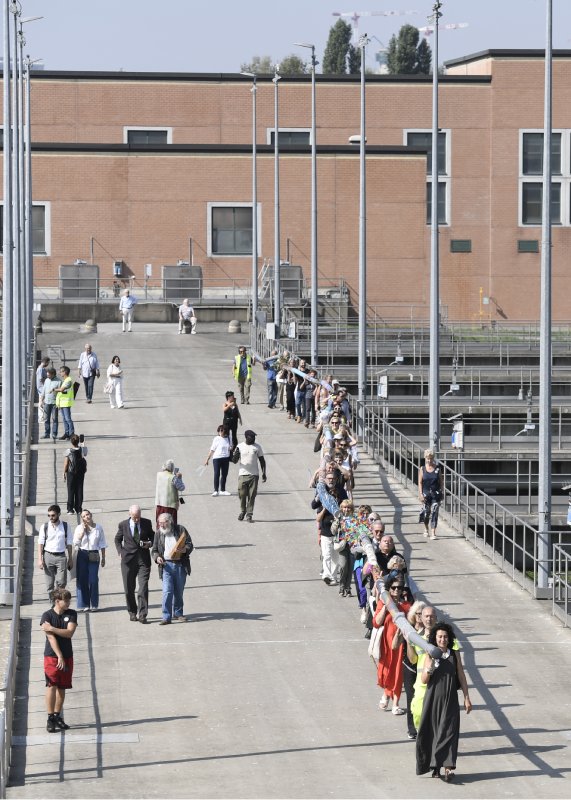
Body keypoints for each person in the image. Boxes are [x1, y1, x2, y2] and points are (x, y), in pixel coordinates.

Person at [416, 622, 472, 781]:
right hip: (433, 699)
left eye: (445, 636)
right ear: (435, 638)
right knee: (433, 732)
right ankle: (435, 766)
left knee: (450, 733)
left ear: (450, 638)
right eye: (440, 636)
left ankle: (448, 769)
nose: (443, 639)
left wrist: (466, 697)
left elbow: (461, 676)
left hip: (450, 699)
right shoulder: (430, 654)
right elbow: (424, 680)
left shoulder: (454, 654)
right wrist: (431, 666)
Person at [373, 575, 411, 715]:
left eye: (399, 588)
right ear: (389, 589)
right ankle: (386, 694)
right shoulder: (382, 604)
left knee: (398, 673)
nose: (396, 590)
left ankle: (395, 703)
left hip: (401, 645)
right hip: (386, 644)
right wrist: (385, 606)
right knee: (387, 671)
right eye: (393, 588)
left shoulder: (406, 606)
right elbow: (376, 623)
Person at [40, 588, 77, 732]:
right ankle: (50, 718)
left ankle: (57, 716)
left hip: (68, 656)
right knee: (51, 685)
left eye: (69, 600)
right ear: (57, 601)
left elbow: (69, 633)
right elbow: (50, 638)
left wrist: (52, 628)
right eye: (66, 600)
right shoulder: (47, 615)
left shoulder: (71, 613)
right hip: (52, 657)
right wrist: (59, 655)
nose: (68, 603)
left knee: (62, 687)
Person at [114, 505, 154, 623]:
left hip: (143, 560)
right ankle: (132, 611)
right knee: (128, 589)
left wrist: (149, 543)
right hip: (128, 560)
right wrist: (120, 551)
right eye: (134, 517)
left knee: (143, 588)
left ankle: (143, 614)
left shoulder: (147, 523)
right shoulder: (123, 525)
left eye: (138, 517)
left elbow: (153, 536)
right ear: (129, 514)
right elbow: (117, 539)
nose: (137, 519)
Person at [152, 512, 193, 624]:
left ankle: (178, 613)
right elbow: (154, 550)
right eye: (159, 523)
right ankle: (166, 616)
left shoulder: (180, 529)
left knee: (178, 591)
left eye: (163, 523)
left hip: (180, 564)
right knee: (167, 591)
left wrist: (184, 549)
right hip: (166, 566)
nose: (161, 525)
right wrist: (157, 558)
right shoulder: (158, 533)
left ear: (169, 521)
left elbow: (190, 544)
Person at [37, 505, 74, 602]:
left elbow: (69, 542)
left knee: (61, 582)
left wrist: (70, 558)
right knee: (49, 584)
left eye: (53, 515)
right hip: (48, 555)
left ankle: (59, 601)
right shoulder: (44, 526)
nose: (51, 518)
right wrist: (40, 559)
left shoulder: (65, 526)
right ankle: (53, 603)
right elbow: (40, 543)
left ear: (59, 514)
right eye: (49, 515)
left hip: (61, 556)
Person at [73, 509, 107, 612]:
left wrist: (104, 557)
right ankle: (84, 604)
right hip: (82, 554)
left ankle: (94, 604)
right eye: (84, 516)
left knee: (93, 579)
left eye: (87, 514)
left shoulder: (98, 527)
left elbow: (102, 543)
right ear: (82, 519)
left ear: (91, 515)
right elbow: (75, 542)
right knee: (82, 579)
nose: (86, 517)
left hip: (94, 554)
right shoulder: (79, 528)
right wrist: (82, 532)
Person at [232, 429, 266, 522]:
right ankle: (243, 511)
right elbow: (234, 461)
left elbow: (262, 461)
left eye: (254, 437)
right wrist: (232, 454)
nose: (254, 438)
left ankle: (249, 515)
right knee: (242, 494)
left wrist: (264, 473)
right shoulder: (240, 446)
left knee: (252, 496)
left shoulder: (257, 447)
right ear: (247, 437)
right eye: (252, 437)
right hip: (243, 474)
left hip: (254, 475)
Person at [418, 449, 444, 539]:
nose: (429, 460)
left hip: (435, 493)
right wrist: (420, 494)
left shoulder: (437, 468)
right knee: (426, 513)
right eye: (428, 458)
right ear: (425, 458)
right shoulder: (422, 469)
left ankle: (433, 532)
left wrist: (442, 492)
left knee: (435, 511)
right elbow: (420, 482)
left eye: (431, 458)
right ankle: (426, 529)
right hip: (426, 493)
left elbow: (441, 481)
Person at [155, 460, 185, 526]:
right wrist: (179, 478)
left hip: (160, 504)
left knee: (160, 524)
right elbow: (181, 488)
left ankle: (159, 536)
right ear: (172, 468)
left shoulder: (159, 474)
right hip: (170, 506)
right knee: (170, 525)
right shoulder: (173, 478)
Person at [204, 425, 232, 496]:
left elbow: (231, 446)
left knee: (224, 474)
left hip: (226, 458)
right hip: (217, 458)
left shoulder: (229, 438)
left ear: (225, 431)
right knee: (217, 474)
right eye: (219, 430)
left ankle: (222, 490)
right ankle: (216, 490)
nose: (220, 432)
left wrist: (231, 448)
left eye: (221, 430)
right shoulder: (216, 438)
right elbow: (212, 449)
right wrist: (207, 459)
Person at [63, 434, 88, 515]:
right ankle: (78, 508)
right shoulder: (83, 449)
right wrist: (83, 444)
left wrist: (64, 472)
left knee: (71, 490)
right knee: (79, 489)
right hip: (80, 472)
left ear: (71, 442)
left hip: (71, 472)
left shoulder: (68, 451)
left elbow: (66, 463)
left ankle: (70, 509)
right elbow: (85, 454)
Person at [54, 365, 75, 440]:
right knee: (64, 419)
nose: (60, 373)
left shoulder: (68, 380)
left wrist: (54, 389)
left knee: (68, 419)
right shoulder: (64, 381)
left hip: (66, 403)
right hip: (62, 403)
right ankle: (67, 433)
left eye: (61, 371)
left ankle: (71, 433)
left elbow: (62, 390)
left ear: (65, 372)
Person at [40, 367, 61, 440]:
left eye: (49, 375)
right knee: (46, 419)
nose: (47, 376)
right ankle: (47, 434)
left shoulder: (58, 381)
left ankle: (54, 434)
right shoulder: (46, 380)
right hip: (46, 402)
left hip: (54, 403)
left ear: (53, 374)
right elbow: (43, 391)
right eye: (47, 375)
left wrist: (59, 403)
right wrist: (41, 400)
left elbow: (61, 392)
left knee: (55, 419)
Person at [222, 391, 242, 455]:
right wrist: (229, 405)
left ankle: (234, 448)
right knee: (226, 435)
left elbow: (238, 412)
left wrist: (240, 419)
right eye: (232, 396)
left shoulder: (235, 404)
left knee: (234, 435)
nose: (233, 397)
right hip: (227, 422)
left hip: (234, 421)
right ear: (228, 397)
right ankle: (226, 447)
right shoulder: (225, 404)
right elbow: (224, 410)